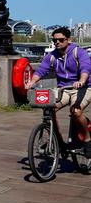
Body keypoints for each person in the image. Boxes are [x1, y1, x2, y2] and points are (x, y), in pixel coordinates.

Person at [25, 27, 91, 157]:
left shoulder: (79, 52)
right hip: (63, 89)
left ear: (69, 40)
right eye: (55, 40)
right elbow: (41, 70)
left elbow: (85, 68)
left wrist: (82, 81)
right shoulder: (52, 56)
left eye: (61, 40)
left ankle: (88, 140)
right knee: (49, 109)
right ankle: (57, 141)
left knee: (76, 111)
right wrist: (32, 82)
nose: (57, 43)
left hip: (83, 87)